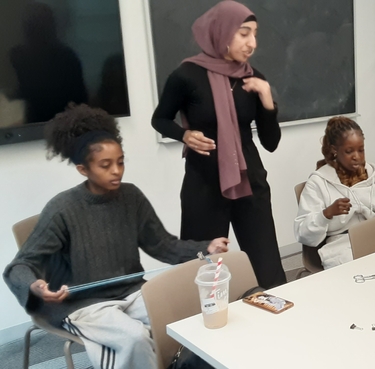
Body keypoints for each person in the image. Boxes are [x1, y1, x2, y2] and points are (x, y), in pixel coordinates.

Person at [3, 104, 229, 369]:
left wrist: (207, 247)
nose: (116, 171)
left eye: (120, 162)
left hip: (131, 293)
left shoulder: (131, 197)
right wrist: (35, 286)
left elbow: (163, 245)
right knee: (132, 339)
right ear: (82, 169)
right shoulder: (62, 209)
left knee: (185, 318)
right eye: (105, 165)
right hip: (83, 304)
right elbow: (20, 266)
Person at [152, 1, 285, 288]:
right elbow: (160, 119)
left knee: (268, 268)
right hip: (203, 186)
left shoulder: (255, 79)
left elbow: (271, 142)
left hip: (250, 182)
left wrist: (266, 100)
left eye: (255, 34)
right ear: (221, 32)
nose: (252, 43)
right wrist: (184, 135)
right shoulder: (186, 75)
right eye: (244, 34)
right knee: (202, 270)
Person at [295, 117, 375, 269]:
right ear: (335, 150)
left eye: (361, 150)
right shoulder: (318, 182)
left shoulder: (374, 175)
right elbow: (303, 233)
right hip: (342, 245)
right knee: (365, 271)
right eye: (349, 151)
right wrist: (327, 213)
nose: (357, 157)